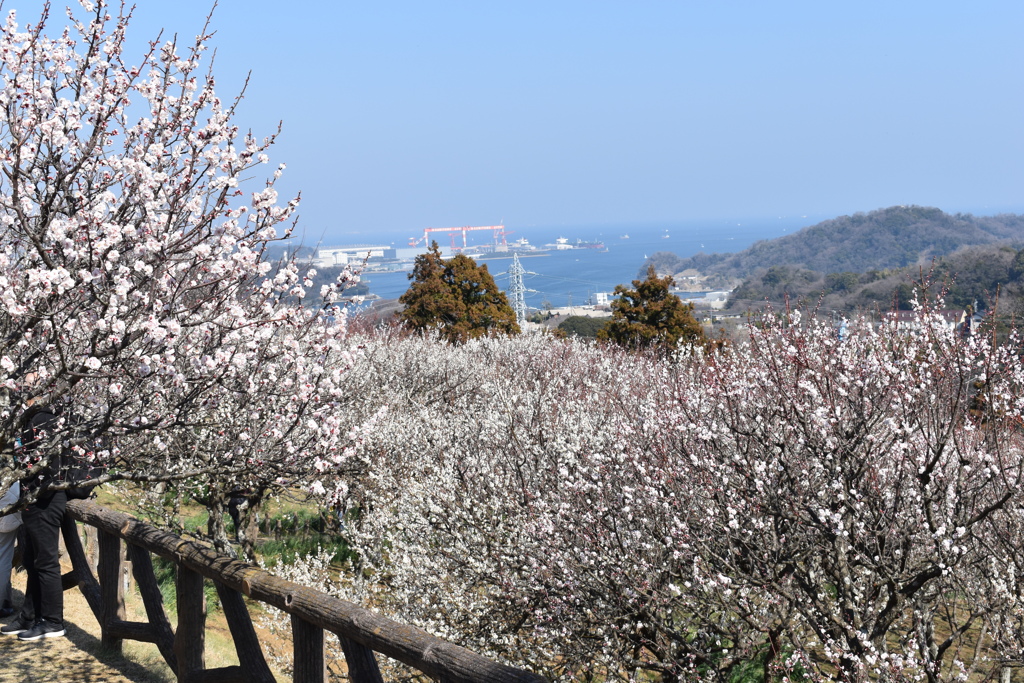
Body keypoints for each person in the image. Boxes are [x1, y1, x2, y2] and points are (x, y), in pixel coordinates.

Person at [0, 407, 67, 640]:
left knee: (46, 563)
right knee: (30, 560)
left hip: (45, 499)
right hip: (32, 498)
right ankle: (29, 616)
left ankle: (52, 621)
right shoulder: (31, 419)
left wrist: (36, 493)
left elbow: (49, 466)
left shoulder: (44, 419)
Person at [0, 480, 21, 618]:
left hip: (7, 500)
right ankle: (2, 603)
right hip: (7, 502)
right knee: (3, 557)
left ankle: (5, 601)